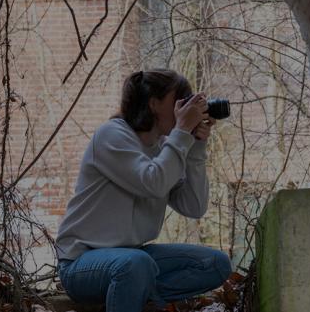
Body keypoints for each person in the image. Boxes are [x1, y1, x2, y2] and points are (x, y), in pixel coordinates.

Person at [53, 68, 231, 312]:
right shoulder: (112, 135)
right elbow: (153, 183)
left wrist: (197, 149)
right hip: (81, 264)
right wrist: (180, 135)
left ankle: (133, 293)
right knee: (135, 264)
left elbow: (194, 207)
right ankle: (134, 291)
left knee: (215, 264)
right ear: (154, 103)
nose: (186, 109)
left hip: (133, 259)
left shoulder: (166, 148)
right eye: (179, 101)